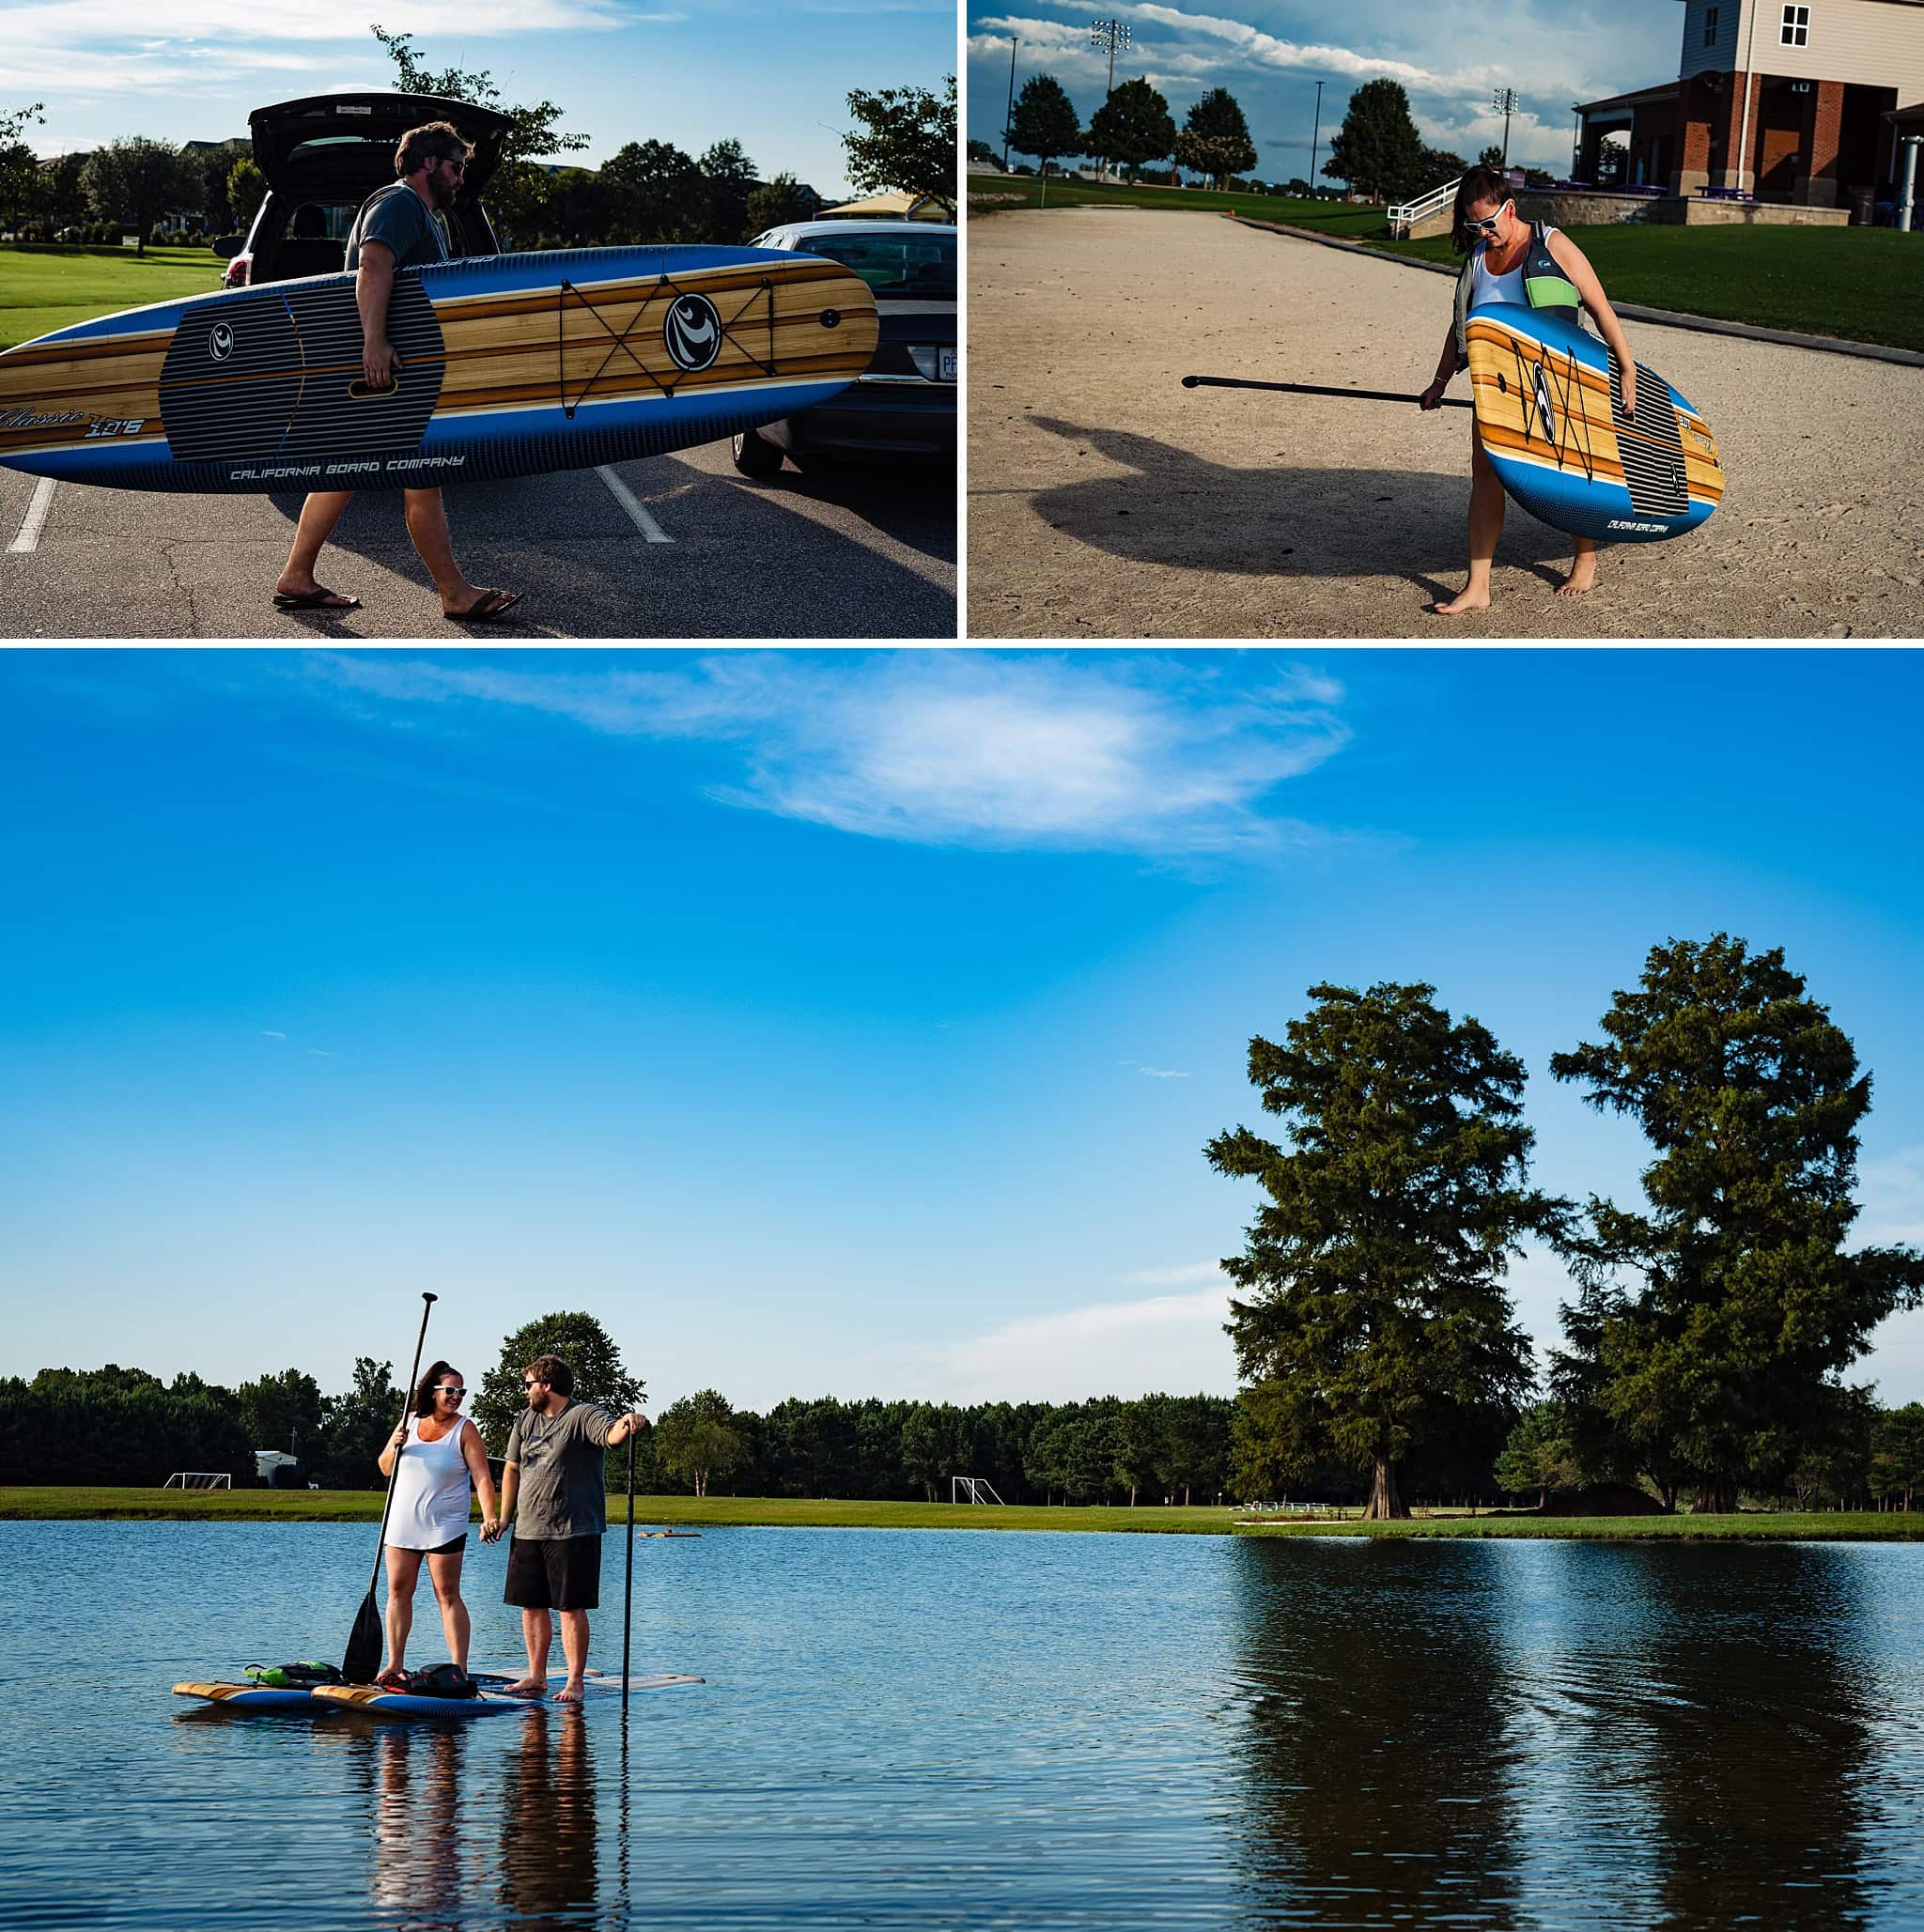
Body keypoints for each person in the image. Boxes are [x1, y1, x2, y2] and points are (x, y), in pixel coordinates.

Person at [272, 119, 522, 625]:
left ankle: (297, 575)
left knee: (342, 471)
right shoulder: (399, 204)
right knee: (420, 477)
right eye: (456, 166)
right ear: (429, 162)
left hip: (398, 373)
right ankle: (454, 592)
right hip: (386, 372)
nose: (460, 177)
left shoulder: (425, 214)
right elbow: (373, 267)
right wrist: (375, 344)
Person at [1420, 165, 1638, 615]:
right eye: (1472, 225)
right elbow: (1458, 327)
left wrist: (1627, 368)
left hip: (1557, 381)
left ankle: (1585, 553)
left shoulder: (1553, 244)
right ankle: (1478, 586)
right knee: (1485, 475)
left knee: (1569, 473)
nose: (1482, 232)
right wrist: (1439, 382)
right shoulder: (1478, 259)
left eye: (1488, 222)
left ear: (1510, 208)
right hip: (1497, 388)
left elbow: (1599, 307)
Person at [482, 1353, 644, 1702]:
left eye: (529, 1385)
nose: (525, 1392)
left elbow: (611, 1435)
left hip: (573, 1530)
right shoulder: (525, 1420)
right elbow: (512, 1469)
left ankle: (574, 1681)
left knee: (570, 1607)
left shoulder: (581, 1415)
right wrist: (505, 1517)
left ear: (547, 1385)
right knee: (531, 1605)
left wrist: (626, 1423)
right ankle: (537, 1676)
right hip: (528, 1528)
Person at [375, 1358, 500, 1684]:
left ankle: (459, 1667)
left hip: (445, 1524)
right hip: (403, 1523)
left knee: (447, 1594)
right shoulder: (409, 1422)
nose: (456, 1396)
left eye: (461, 1391)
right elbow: (385, 1467)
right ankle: (394, 1664)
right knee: (399, 1590)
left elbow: (483, 1479)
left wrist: (489, 1517)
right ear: (432, 1391)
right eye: (450, 1390)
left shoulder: (465, 1429)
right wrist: (396, 1446)